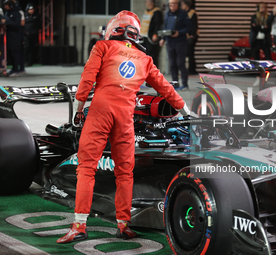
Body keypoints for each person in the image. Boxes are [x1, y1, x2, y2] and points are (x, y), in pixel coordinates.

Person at [56, 10, 191, 244]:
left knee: (86, 168)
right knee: (125, 173)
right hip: (125, 117)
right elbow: (166, 89)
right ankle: (123, 225)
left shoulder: (103, 47)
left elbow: (87, 79)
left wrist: (79, 108)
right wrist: (187, 110)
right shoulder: (146, 60)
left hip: (100, 111)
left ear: (113, 29)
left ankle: (79, 225)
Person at [159, 0, 192, 91]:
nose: (172, 6)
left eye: (174, 4)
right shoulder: (167, 14)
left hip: (180, 42)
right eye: (170, 4)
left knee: (180, 63)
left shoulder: (183, 14)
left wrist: (179, 33)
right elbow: (165, 27)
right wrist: (163, 38)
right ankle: (175, 84)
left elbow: (189, 27)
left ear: (178, 4)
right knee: (172, 64)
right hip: (170, 42)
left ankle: (184, 84)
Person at [249, 2, 272, 86]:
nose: (263, 9)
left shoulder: (268, 17)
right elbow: (253, 28)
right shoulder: (254, 17)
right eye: (262, 7)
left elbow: (268, 29)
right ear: (258, 8)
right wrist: (262, 27)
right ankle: (258, 78)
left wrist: (259, 27)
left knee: (268, 59)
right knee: (256, 60)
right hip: (256, 41)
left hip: (265, 41)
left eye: (265, 7)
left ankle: (268, 77)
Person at [1, 0, 23, 77]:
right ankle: (14, 68)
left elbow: (17, 24)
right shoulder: (7, 13)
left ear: (10, 5)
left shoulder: (17, 13)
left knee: (15, 52)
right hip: (9, 36)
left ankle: (16, 69)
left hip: (15, 36)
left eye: (6, 5)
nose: (5, 7)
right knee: (11, 53)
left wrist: (6, 21)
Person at [140, 0, 163, 68]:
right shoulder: (146, 11)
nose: (147, 4)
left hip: (151, 37)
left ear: (152, 3)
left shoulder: (156, 12)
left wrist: (155, 34)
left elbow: (158, 24)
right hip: (144, 36)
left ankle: (153, 70)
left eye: (149, 2)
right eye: (146, 2)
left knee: (152, 54)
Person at [181, 0, 198, 75]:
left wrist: (192, 36)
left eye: (183, 4)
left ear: (186, 5)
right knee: (186, 53)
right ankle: (187, 69)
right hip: (185, 36)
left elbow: (194, 25)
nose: (181, 6)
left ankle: (192, 70)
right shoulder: (184, 13)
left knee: (190, 53)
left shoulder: (192, 13)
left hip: (191, 36)